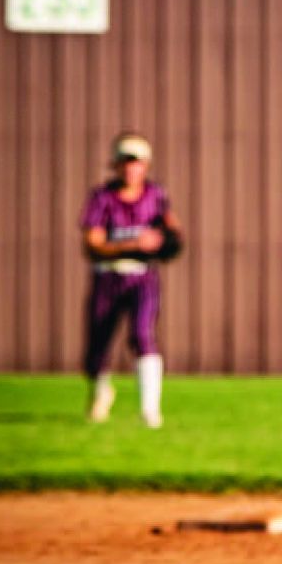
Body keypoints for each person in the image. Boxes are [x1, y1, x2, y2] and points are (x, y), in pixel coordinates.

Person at [79, 132, 183, 429]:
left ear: (145, 165)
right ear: (115, 165)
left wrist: (167, 241)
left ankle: (150, 410)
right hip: (109, 275)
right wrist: (133, 243)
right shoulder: (103, 198)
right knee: (98, 346)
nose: (130, 169)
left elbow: (172, 232)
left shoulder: (155, 197)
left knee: (142, 335)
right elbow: (92, 244)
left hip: (142, 278)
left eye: (136, 162)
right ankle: (100, 392)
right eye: (124, 162)